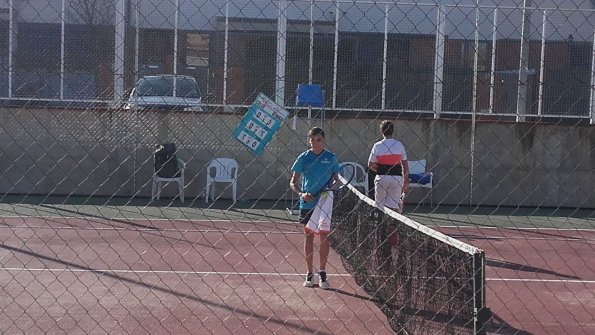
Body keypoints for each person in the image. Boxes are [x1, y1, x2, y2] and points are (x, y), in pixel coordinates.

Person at [289, 127, 340, 289]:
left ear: (323, 140)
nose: (314, 143)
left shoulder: (331, 157)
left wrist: (330, 187)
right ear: (308, 140)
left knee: (324, 236)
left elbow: (336, 179)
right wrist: (302, 193)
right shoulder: (303, 158)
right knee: (309, 236)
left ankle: (323, 273)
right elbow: (293, 182)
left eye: (318, 140)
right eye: (311, 140)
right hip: (308, 204)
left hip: (324, 203)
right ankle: (309, 273)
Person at [368, 120, 409, 213]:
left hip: (381, 177)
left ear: (381, 131)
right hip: (397, 179)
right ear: (393, 131)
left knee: (379, 205)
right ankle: (392, 225)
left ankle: (381, 224)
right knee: (393, 206)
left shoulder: (377, 146)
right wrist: (405, 182)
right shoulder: (399, 145)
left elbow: (370, 165)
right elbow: (405, 166)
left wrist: (380, 170)